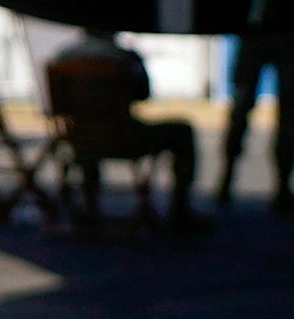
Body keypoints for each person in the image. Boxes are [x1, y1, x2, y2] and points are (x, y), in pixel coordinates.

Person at [42, 26, 198, 227]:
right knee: (182, 130)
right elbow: (143, 94)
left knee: (88, 135)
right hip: (125, 138)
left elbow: (57, 106)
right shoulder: (123, 57)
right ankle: (179, 210)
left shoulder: (63, 57)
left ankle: (90, 206)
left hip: (81, 138)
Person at [218, 18, 294, 215]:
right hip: (282, 32)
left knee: (246, 110)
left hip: (264, 32)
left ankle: (227, 182)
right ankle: (231, 182)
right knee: (276, 116)